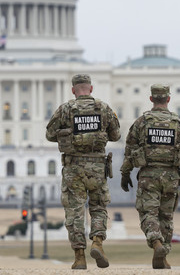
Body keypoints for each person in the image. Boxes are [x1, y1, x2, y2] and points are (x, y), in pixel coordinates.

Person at [46, 74, 121, 269]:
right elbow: (116, 134)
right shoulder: (103, 108)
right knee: (98, 207)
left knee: (75, 212)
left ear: (73, 90)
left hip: (74, 168)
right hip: (97, 167)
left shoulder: (65, 109)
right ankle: (97, 242)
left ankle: (79, 257)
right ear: (91, 88)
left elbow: (49, 134)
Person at [120, 84, 180, 270]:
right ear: (168, 99)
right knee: (166, 217)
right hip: (172, 176)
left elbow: (129, 150)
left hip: (148, 175)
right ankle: (163, 254)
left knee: (148, 213)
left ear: (151, 99)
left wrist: (125, 173)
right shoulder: (179, 124)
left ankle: (156, 243)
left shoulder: (141, 122)